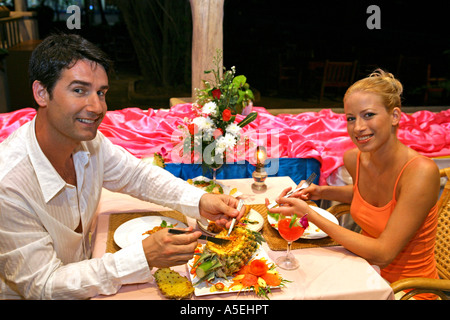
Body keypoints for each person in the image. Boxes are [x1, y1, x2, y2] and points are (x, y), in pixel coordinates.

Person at [0, 33, 244, 299]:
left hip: (88, 274)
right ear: (41, 93)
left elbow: (138, 176)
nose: (96, 107)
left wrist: (201, 200)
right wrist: (143, 256)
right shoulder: (8, 184)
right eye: (79, 90)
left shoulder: (91, 144)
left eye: (101, 93)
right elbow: (43, 285)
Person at [267, 69, 440, 299]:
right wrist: (320, 191)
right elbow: (368, 196)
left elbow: (383, 253)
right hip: (364, 272)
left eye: (368, 115)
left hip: (407, 290)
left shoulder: (421, 173)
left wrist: (310, 214)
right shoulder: (355, 159)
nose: (358, 127)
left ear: (395, 116)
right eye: (351, 118)